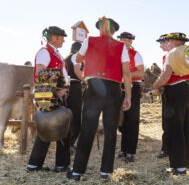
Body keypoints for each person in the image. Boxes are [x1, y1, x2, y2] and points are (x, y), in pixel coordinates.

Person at [67, 17, 131, 181]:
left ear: (100, 29)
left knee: (88, 129)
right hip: (114, 90)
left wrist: (88, 55)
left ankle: (77, 172)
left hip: (94, 88)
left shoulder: (89, 40)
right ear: (114, 31)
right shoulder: (122, 46)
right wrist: (128, 96)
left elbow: (79, 59)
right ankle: (106, 172)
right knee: (110, 131)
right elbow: (127, 73)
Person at [27, 26, 71, 173]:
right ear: (54, 37)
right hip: (49, 96)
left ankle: (60, 164)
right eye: (62, 37)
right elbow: (40, 74)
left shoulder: (55, 53)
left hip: (57, 95)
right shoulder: (45, 52)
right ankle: (35, 165)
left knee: (63, 127)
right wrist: (56, 91)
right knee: (46, 128)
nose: (64, 40)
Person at [153, 32, 189, 175]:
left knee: (174, 129)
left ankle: (179, 167)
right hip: (188, 89)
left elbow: (166, 75)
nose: (167, 43)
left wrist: (156, 86)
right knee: (184, 127)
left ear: (177, 42)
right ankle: (186, 161)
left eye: (169, 40)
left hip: (175, 91)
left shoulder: (172, 54)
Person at [116, 32, 144, 163]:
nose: (125, 43)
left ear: (131, 42)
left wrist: (125, 75)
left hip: (133, 87)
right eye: (123, 40)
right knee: (121, 120)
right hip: (118, 88)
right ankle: (123, 149)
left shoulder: (135, 54)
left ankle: (130, 151)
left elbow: (140, 72)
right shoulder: (115, 54)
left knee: (132, 119)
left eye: (128, 40)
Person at [65, 41, 86, 152]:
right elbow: (77, 72)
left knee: (68, 116)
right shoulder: (75, 57)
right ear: (78, 50)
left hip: (66, 87)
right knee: (76, 117)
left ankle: (66, 144)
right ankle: (70, 144)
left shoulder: (66, 57)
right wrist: (87, 81)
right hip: (74, 87)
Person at [155, 34, 170, 159]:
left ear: (168, 42)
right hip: (170, 90)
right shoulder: (166, 56)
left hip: (171, 91)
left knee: (167, 122)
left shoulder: (169, 56)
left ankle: (166, 149)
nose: (160, 46)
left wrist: (157, 86)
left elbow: (166, 74)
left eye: (161, 43)